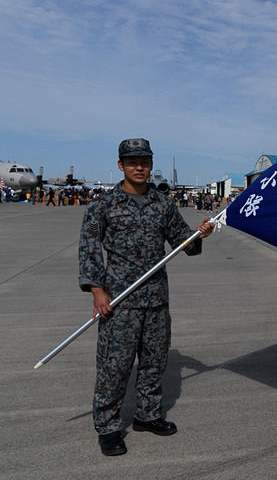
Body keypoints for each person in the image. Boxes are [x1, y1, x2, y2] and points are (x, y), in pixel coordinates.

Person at [79, 138, 215, 457]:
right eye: (132, 162)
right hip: (120, 300)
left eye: (144, 162)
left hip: (156, 298)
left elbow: (182, 242)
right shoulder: (103, 204)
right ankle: (108, 426)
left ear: (151, 164)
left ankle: (147, 414)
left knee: (154, 361)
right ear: (121, 165)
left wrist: (199, 234)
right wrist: (97, 291)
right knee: (115, 366)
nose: (139, 167)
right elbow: (89, 249)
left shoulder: (163, 203)